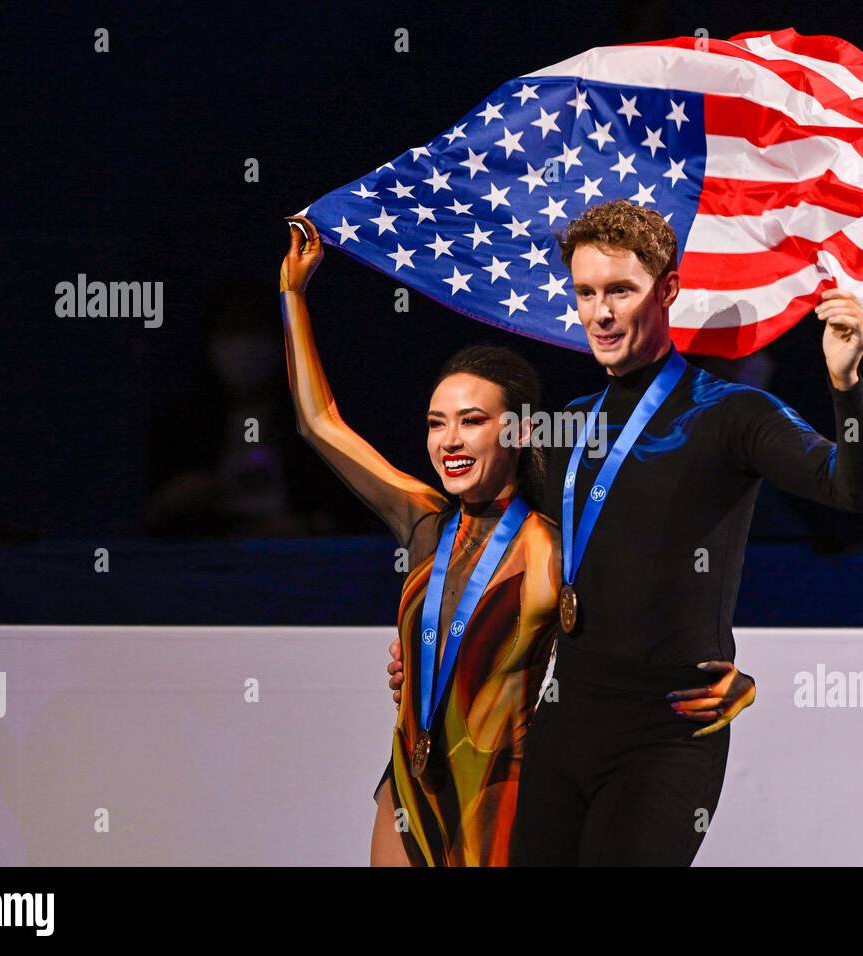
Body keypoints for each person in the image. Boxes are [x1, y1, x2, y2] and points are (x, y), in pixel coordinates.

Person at [279, 216, 755, 866]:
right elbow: (318, 423)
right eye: (436, 423)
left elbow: (647, 627)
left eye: (472, 422)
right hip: (408, 784)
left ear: (521, 432)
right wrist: (294, 298)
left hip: (504, 793)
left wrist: (734, 678)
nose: (450, 440)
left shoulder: (557, 546)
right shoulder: (423, 522)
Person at [497, 199, 863, 866]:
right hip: (563, 722)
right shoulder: (566, 428)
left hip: (671, 731)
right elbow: (480, 535)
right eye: (586, 292)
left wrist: (845, 384)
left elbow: (857, 489)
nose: (601, 312)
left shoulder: (731, 414)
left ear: (668, 291)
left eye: (621, 289)